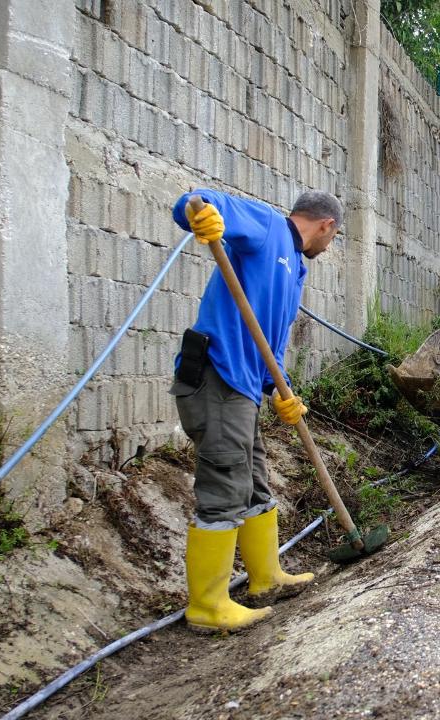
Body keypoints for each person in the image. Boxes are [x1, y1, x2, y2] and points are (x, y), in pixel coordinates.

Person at [168, 188, 342, 632]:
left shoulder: (295, 269)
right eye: (334, 238)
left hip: (245, 387)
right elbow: (197, 200)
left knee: (255, 479)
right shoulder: (268, 227)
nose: (329, 246)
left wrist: (278, 390)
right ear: (327, 226)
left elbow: (270, 341)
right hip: (216, 375)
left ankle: (264, 578)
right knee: (226, 481)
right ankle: (207, 605)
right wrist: (198, 215)